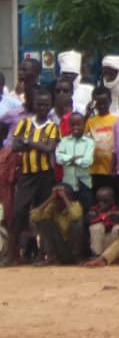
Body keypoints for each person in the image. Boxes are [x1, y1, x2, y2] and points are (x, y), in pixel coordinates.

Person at [9, 89, 58, 263]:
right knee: (18, 212)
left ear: (50, 106)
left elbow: (49, 148)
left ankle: (42, 254)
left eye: (46, 105)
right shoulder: (24, 123)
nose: (42, 107)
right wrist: (36, 144)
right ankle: (11, 254)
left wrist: (28, 142)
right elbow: (14, 146)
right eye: (39, 104)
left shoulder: (52, 126)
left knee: (43, 214)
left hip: (45, 174)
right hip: (27, 174)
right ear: (34, 106)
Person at [31, 183, 87, 265]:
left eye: (60, 199)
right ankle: (51, 258)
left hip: (72, 247)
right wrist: (50, 199)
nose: (58, 202)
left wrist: (64, 198)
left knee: (77, 223)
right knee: (44, 222)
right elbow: (34, 217)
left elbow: (76, 216)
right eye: (57, 199)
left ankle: (77, 257)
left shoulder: (75, 205)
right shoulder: (52, 206)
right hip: (59, 248)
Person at [56, 111, 94, 211]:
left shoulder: (89, 142)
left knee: (85, 210)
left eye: (78, 124)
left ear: (84, 124)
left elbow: (87, 161)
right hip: (68, 184)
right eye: (72, 125)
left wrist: (67, 160)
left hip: (84, 183)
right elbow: (58, 159)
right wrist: (74, 158)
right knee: (69, 212)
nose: (75, 127)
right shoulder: (64, 141)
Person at [85, 186, 119, 258]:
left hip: (112, 245)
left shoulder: (117, 210)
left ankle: (116, 256)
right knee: (96, 227)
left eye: (105, 201)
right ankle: (96, 256)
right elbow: (90, 219)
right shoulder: (93, 211)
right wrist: (105, 215)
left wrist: (110, 213)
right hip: (99, 245)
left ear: (112, 200)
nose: (101, 203)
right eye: (99, 201)